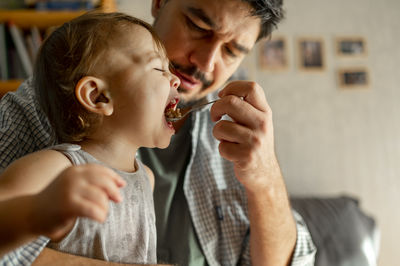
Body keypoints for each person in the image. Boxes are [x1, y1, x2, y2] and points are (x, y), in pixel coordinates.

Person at [0, 0, 317, 265]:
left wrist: (265, 177)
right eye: (198, 26)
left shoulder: (231, 139)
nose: (206, 64)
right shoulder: (41, 112)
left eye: (232, 51)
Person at [0, 12, 180, 265]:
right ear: (97, 97)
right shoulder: (55, 167)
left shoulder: (146, 179)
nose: (176, 79)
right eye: (159, 68)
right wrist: (36, 211)